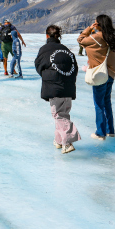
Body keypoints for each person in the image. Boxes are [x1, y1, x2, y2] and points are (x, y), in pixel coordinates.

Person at [35, 25, 80, 154]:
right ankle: (59, 140)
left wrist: (48, 77)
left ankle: (68, 142)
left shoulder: (45, 49)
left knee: (58, 115)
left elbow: (38, 66)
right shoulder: (66, 50)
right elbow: (74, 68)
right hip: (68, 86)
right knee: (63, 113)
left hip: (55, 87)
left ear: (47, 36)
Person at [77, 15, 115, 141]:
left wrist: (90, 28)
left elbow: (80, 40)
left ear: (99, 24)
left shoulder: (96, 37)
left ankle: (100, 132)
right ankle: (110, 130)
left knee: (99, 104)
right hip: (110, 73)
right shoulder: (112, 38)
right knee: (107, 102)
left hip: (99, 74)